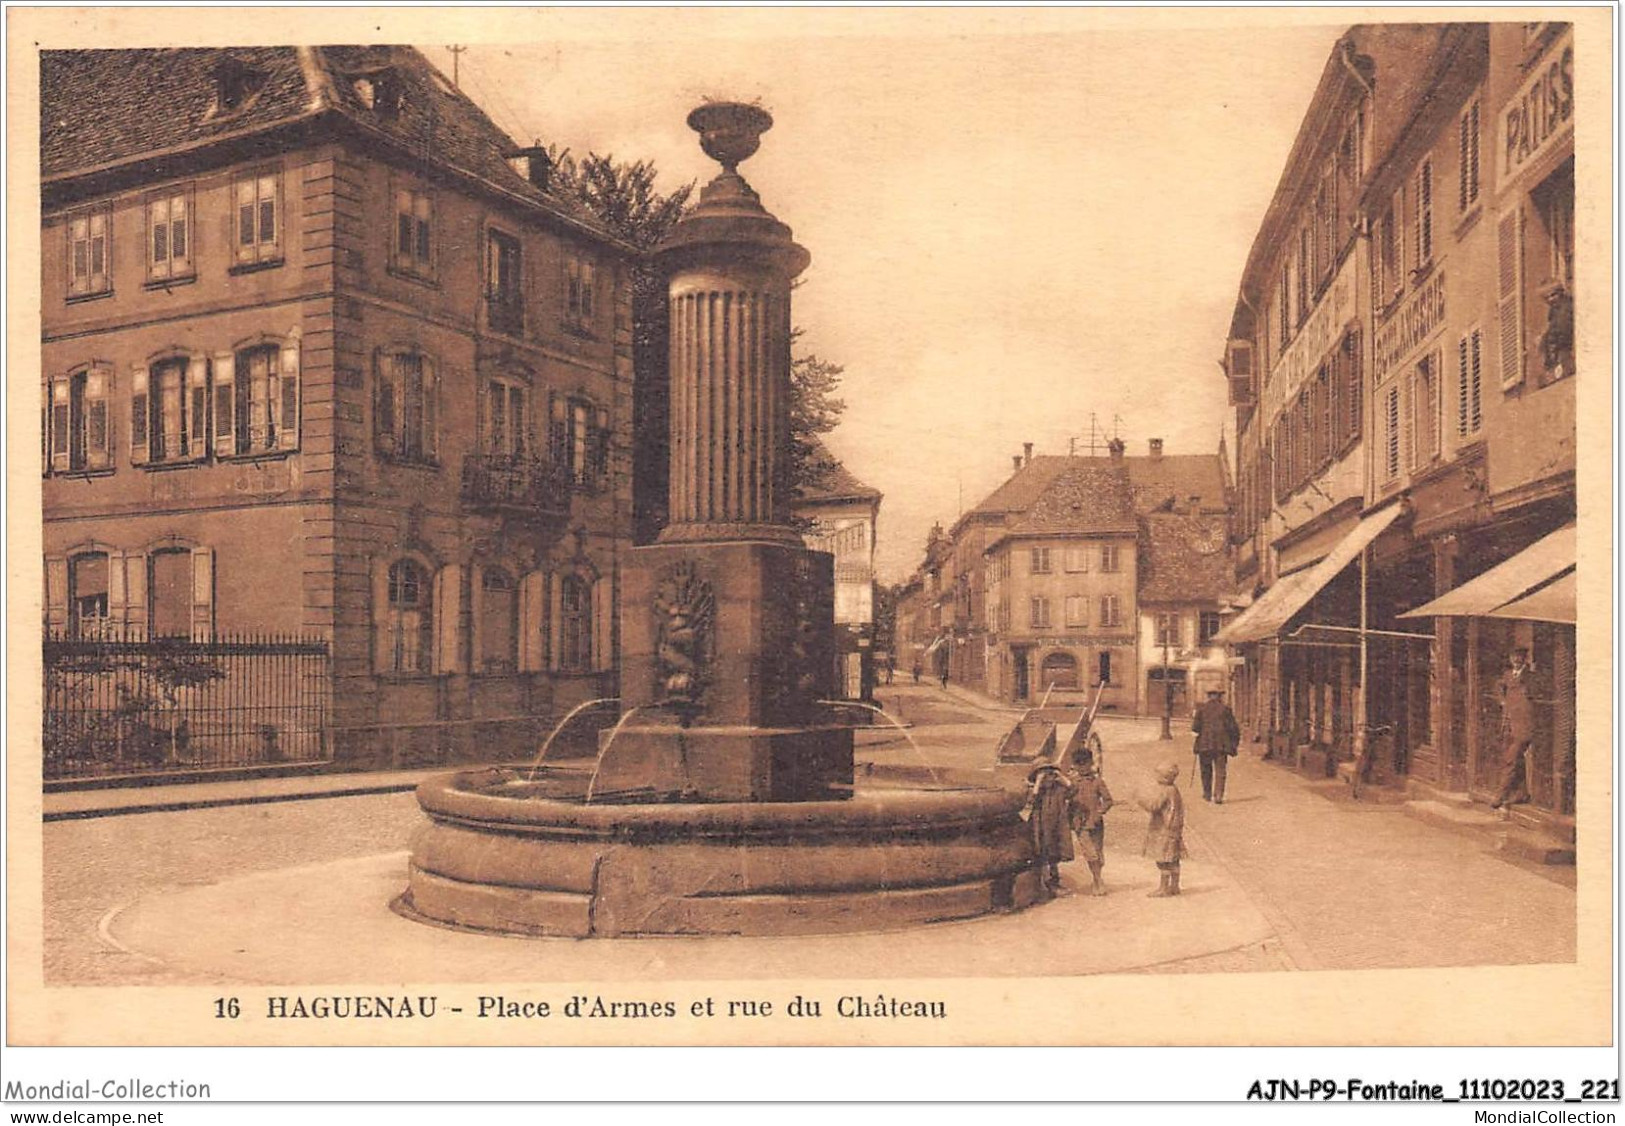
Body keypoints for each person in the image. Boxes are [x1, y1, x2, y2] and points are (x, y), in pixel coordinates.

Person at [1491, 648, 1537, 811]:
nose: (1516, 660)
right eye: (1513, 656)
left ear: (1525, 659)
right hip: (1509, 725)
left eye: (1520, 657)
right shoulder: (1507, 675)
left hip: (1525, 726)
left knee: (1511, 759)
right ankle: (1522, 793)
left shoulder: (1530, 678)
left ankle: (1500, 794)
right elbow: (1498, 687)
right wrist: (1502, 701)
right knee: (1515, 758)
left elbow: (1535, 695)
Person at [1066, 747, 1114, 896]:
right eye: (1079, 764)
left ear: (1091, 763)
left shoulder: (1098, 781)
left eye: (1085, 764)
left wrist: (1100, 811)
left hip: (1096, 822)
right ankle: (1098, 880)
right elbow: (1066, 798)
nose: (1082, 768)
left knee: (1098, 852)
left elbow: (1108, 800)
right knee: (1090, 853)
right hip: (1080, 823)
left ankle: (1097, 878)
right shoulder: (1071, 783)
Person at [1024, 761, 1075, 895]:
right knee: (1041, 854)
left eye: (1050, 774)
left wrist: (1061, 777)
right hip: (1040, 827)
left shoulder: (1059, 789)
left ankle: (1053, 884)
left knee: (1054, 856)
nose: (1049, 778)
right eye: (1044, 774)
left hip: (1055, 827)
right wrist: (1038, 783)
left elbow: (1073, 790)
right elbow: (1030, 801)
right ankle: (1042, 885)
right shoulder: (1036, 790)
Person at [1139, 761, 1186, 897]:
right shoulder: (1174, 789)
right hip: (1174, 827)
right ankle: (1175, 885)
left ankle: (1164, 888)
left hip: (1163, 827)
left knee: (1163, 858)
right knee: (1173, 857)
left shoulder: (1165, 791)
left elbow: (1154, 805)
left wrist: (1141, 800)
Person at [1191, 688, 1241, 803]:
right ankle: (1218, 795)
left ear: (1209, 696)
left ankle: (1207, 794)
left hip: (1204, 745)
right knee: (1221, 770)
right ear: (1219, 696)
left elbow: (1195, 728)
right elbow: (1233, 728)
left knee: (1205, 770)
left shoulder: (1201, 709)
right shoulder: (1226, 710)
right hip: (1221, 746)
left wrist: (1197, 737)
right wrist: (1234, 743)